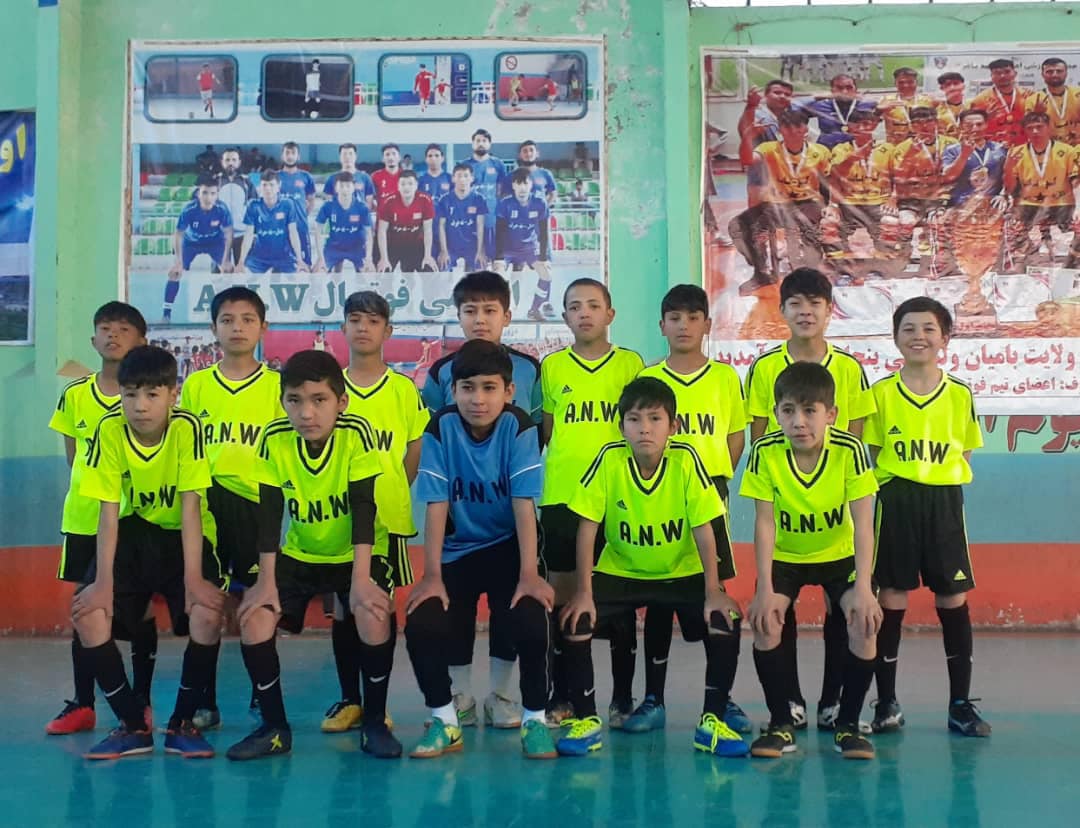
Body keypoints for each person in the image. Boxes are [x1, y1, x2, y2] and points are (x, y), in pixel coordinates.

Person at [556, 378, 749, 758]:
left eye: (655, 418)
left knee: (725, 617)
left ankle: (712, 721)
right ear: (621, 424)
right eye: (634, 418)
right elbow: (587, 528)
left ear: (673, 426)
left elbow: (705, 530)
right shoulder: (610, 459)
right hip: (621, 572)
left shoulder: (686, 460)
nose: (645, 427)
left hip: (680, 573)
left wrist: (713, 589)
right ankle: (586, 720)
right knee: (573, 619)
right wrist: (583, 592)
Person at [229, 350, 394, 760]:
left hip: (355, 553)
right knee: (254, 619)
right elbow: (269, 513)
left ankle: (373, 722)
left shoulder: (357, 433)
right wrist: (265, 581)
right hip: (301, 552)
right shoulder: (274, 438)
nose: (306, 412)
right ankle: (274, 728)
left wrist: (360, 581)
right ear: (283, 402)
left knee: (372, 614)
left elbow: (363, 507)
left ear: (341, 402)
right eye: (295, 400)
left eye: (319, 400)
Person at [404, 340, 557, 759]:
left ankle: (532, 719)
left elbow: (523, 504)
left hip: (509, 546)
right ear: (453, 392)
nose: (478, 398)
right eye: (467, 388)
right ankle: (448, 716)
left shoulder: (520, 426)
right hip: (456, 550)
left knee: (529, 617)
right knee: (425, 622)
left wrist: (529, 573)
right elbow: (437, 504)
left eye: (489, 388)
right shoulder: (439, 428)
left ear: (508, 392)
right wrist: (431, 575)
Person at [74, 346, 227, 759]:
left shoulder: (187, 428)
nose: (140, 406)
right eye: (130, 395)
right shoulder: (109, 430)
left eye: (152, 395)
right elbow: (108, 512)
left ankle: (181, 724)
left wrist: (194, 579)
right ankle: (131, 725)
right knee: (89, 615)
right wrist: (103, 583)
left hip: (182, 539)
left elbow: (192, 507)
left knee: (208, 613)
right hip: (131, 535)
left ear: (172, 395)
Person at [743, 267, 876, 734]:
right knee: (777, 611)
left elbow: (855, 436)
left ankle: (837, 705)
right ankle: (788, 706)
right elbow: (760, 435)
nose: (805, 311)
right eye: (795, 303)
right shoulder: (764, 370)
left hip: (836, 537)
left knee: (851, 617)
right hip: (787, 536)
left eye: (814, 302)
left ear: (828, 310)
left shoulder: (848, 371)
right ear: (782, 311)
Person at [419, 271, 541, 728]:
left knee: (512, 613)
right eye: (470, 310)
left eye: (490, 310)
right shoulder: (439, 374)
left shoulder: (530, 369)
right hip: (460, 520)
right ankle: (460, 697)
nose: (480, 319)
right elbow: (440, 436)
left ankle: (503, 696)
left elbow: (540, 428)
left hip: (509, 509)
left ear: (507, 316)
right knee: (457, 615)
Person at [865, 298, 991, 739]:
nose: (919, 336)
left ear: (945, 338)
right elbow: (876, 451)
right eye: (909, 328)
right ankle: (886, 702)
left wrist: (936, 477)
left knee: (951, 598)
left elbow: (966, 449)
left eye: (929, 329)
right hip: (896, 498)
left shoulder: (958, 394)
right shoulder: (880, 394)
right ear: (895, 336)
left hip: (943, 502)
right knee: (893, 596)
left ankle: (959, 704)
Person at [635, 285, 753, 736]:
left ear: (707, 323)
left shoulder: (725, 379)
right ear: (661, 325)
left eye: (692, 316)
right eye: (674, 317)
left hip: (707, 497)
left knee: (713, 597)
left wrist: (712, 481)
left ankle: (719, 700)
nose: (683, 325)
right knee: (660, 600)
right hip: (656, 496)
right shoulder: (649, 377)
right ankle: (653, 698)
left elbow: (735, 436)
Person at [321, 291, 429, 733]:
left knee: (377, 607)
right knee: (342, 611)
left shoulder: (403, 389)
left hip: (385, 521)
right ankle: (350, 700)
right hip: (333, 524)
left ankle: (375, 702)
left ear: (387, 330)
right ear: (342, 329)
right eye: (354, 319)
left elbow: (413, 450)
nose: (363, 327)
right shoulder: (330, 390)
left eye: (372, 320)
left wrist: (388, 493)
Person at [539, 279, 644, 728]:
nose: (584, 313)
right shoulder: (552, 368)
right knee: (563, 600)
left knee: (616, 599)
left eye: (593, 305)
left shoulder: (631, 364)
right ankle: (563, 694)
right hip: (562, 496)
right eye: (574, 306)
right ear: (564, 317)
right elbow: (547, 430)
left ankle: (621, 698)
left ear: (610, 314)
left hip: (614, 498)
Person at [179, 288, 284, 730]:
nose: (237, 327)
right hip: (208, 506)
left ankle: (264, 698)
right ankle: (205, 700)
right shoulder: (197, 385)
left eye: (247, 319)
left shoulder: (280, 386)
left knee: (258, 606)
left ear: (263, 327)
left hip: (260, 506)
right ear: (213, 329)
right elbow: (185, 448)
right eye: (227, 319)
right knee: (208, 605)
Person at [45, 303, 151, 737]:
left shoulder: (146, 398)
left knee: (140, 611)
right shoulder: (75, 395)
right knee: (86, 606)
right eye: (105, 329)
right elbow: (76, 460)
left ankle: (140, 701)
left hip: (135, 519)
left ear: (140, 342)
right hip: (86, 517)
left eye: (123, 329)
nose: (113, 336)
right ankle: (83, 703)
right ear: (93, 340)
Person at [732, 109, 832, 295]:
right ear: (780, 130)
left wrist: (829, 206)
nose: (793, 130)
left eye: (798, 126)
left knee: (809, 227)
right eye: (787, 126)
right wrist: (747, 136)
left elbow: (827, 183)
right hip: (776, 205)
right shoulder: (768, 148)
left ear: (806, 129)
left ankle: (811, 273)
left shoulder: (821, 152)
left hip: (807, 202)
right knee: (739, 227)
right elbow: (747, 159)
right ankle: (761, 273)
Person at [1002, 111, 1080, 269]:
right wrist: (1009, 167)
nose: (1035, 131)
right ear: (1025, 131)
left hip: (1062, 204)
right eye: (1030, 128)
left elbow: (1076, 182)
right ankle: (1022, 267)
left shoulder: (1066, 151)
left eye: (1039, 127)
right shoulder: (1016, 153)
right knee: (1010, 228)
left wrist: (1079, 206)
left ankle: (1071, 266)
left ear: (1049, 128)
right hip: (1029, 205)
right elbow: (1010, 188)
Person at [827, 108, 897, 257]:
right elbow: (834, 177)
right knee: (828, 222)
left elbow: (898, 177)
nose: (861, 128)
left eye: (866, 124)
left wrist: (893, 199)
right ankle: (839, 259)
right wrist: (833, 205)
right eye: (856, 124)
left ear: (873, 126)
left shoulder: (887, 148)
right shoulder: (841, 149)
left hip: (879, 202)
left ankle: (886, 255)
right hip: (849, 204)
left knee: (890, 221)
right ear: (849, 128)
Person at [165, 177, 233, 322]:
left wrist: (226, 260)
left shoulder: (222, 209)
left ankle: (225, 313)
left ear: (217, 194)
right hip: (192, 243)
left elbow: (228, 233)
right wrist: (178, 261)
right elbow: (178, 234)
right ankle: (166, 314)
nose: (209, 198)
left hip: (215, 242)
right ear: (198, 193)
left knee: (228, 272)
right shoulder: (189, 210)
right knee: (174, 274)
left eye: (213, 193)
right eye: (205, 193)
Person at [494, 167, 553, 321]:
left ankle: (534, 309)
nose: (522, 188)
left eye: (525, 184)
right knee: (498, 275)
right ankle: (504, 311)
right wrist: (499, 257)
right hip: (508, 249)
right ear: (513, 186)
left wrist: (542, 257)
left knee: (546, 273)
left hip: (529, 249)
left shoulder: (540, 203)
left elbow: (544, 232)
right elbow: (499, 232)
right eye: (518, 184)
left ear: (531, 185)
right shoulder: (505, 204)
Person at [236, 170, 308, 274]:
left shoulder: (288, 204)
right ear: (260, 187)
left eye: (271, 185)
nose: (268, 188)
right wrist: (241, 262)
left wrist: (300, 259)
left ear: (278, 187)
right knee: (241, 274)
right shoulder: (254, 206)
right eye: (264, 185)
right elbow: (248, 235)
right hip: (259, 257)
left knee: (302, 274)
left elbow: (293, 233)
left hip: (285, 256)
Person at [792, 74, 876, 149]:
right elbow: (792, 107)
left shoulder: (867, 105)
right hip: (826, 151)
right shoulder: (821, 105)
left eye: (849, 87)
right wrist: (818, 96)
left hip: (857, 151)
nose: (844, 91)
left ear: (856, 90)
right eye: (839, 88)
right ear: (832, 90)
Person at [376, 169, 437, 273]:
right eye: (403, 184)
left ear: (416, 185)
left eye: (410, 183)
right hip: (393, 245)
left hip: (415, 245)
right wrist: (384, 258)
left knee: (428, 268)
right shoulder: (388, 201)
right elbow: (382, 231)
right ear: (398, 186)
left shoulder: (425, 200)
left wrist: (428, 256)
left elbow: (428, 230)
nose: (406, 187)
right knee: (384, 270)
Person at [314, 172, 374, 273]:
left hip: (357, 248)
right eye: (341, 186)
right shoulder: (328, 206)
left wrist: (368, 258)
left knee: (370, 272)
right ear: (336, 188)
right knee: (318, 272)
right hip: (334, 248)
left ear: (353, 187)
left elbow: (369, 234)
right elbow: (318, 231)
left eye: (348, 186)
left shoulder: (362, 207)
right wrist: (320, 258)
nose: (345, 189)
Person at [465, 129, 508, 261]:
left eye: (484, 141)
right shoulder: (465, 165)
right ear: (472, 144)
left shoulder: (498, 164)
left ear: (489, 144)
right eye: (478, 141)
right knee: (473, 262)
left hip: (492, 217)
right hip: (471, 218)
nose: (481, 143)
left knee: (494, 259)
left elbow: (501, 190)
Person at [968, 58, 1032, 147]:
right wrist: (986, 118)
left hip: (1023, 147)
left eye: (1007, 72)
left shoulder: (1029, 97)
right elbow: (971, 130)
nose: (1002, 76)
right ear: (991, 76)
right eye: (997, 73)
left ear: (1015, 74)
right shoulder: (980, 101)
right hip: (992, 151)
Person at [437, 163, 488, 272]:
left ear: (472, 178)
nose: (462, 179)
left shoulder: (479, 199)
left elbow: (480, 226)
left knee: (480, 274)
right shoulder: (444, 200)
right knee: (443, 272)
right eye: (459, 176)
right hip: (451, 248)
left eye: (466, 176)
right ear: (453, 179)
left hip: (472, 248)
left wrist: (480, 251)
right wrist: (444, 251)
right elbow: (441, 226)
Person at [214, 147, 255, 268]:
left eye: (233, 160)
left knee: (241, 271)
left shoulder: (246, 182)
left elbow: (254, 207)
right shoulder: (216, 181)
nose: (230, 163)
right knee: (218, 272)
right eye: (227, 160)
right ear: (222, 162)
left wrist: (252, 230)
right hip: (220, 234)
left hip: (241, 234)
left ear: (239, 162)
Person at [277, 142, 316, 267]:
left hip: (300, 227)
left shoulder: (306, 177)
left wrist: (302, 215)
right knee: (278, 266)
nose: (290, 156)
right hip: (279, 228)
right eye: (287, 153)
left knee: (304, 264)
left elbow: (311, 201)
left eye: (293, 153)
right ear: (282, 156)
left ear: (298, 156)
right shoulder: (275, 177)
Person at [877, 68, 936, 146]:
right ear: (895, 83)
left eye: (910, 82)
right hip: (895, 147)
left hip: (923, 147)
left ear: (916, 83)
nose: (906, 85)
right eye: (901, 82)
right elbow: (871, 121)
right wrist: (878, 110)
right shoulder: (886, 101)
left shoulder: (928, 101)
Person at [1028, 57, 1080, 146]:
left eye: (1059, 71)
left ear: (1066, 73)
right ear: (1042, 74)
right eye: (1049, 72)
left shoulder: (1078, 94)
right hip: (1049, 149)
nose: (1054, 75)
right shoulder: (1034, 99)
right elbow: (1028, 128)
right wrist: (1036, 114)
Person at [323, 143, 377, 211]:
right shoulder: (332, 178)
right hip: (339, 218)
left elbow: (369, 203)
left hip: (359, 218)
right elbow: (328, 202)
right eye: (344, 154)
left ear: (355, 156)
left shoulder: (365, 178)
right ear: (340, 157)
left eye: (350, 154)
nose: (347, 157)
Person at [514, 141, 558, 207]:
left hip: (540, 216)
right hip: (520, 216)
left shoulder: (546, 174)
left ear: (537, 154)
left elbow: (553, 194)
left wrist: (543, 208)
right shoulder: (512, 175)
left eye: (531, 150)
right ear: (520, 155)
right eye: (525, 151)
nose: (528, 154)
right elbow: (506, 195)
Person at [935, 72, 967, 140]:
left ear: (963, 86)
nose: (952, 87)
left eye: (956, 83)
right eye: (948, 84)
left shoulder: (972, 105)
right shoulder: (936, 110)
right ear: (941, 88)